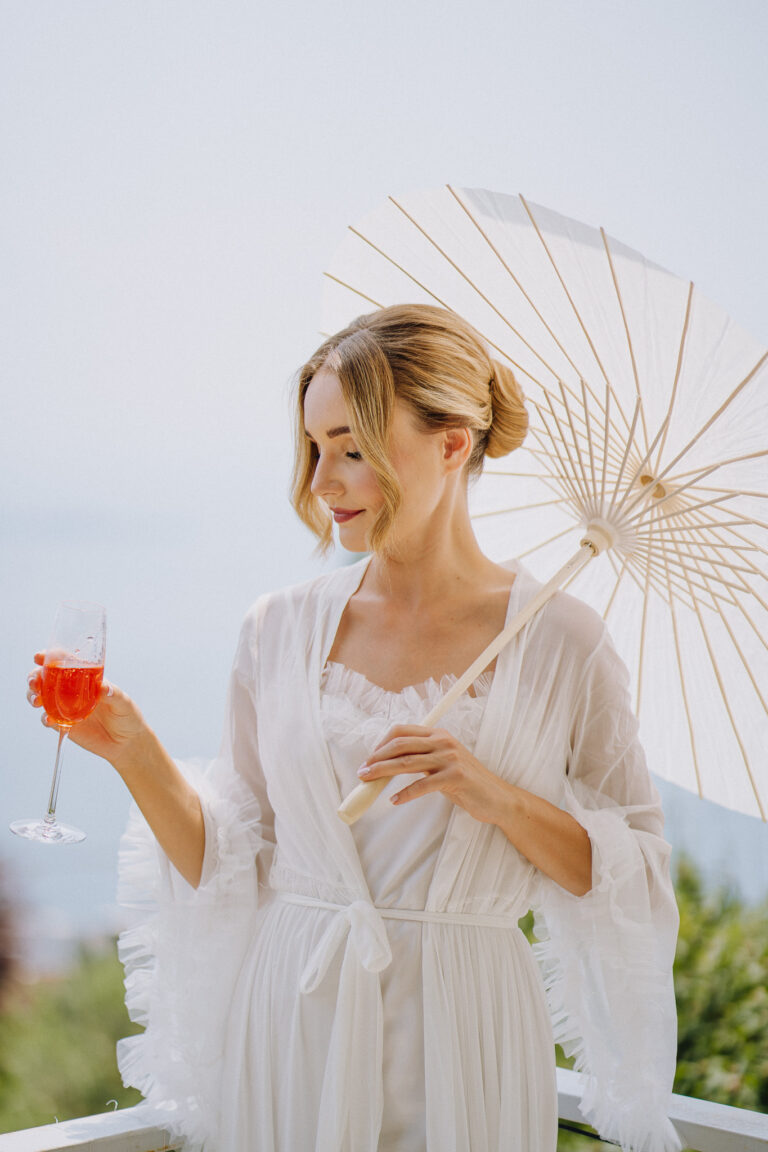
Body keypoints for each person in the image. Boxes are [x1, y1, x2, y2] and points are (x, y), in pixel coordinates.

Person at [27, 303, 680, 1152]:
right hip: (296, 1013)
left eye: (354, 448)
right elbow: (234, 864)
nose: (321, 482)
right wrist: (133, 753)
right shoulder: (277, 629)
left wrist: (495, 797)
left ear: (451, 444)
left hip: (465, 1027)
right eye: (313, 448)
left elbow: (636, 876)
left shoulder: (564, 643)